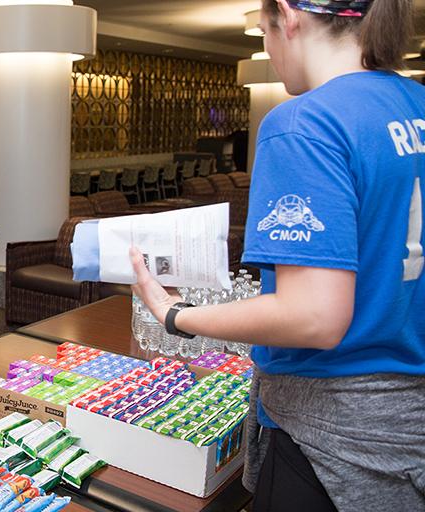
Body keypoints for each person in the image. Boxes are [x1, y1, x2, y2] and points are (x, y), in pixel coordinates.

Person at [129, 1, 424, 510]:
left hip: (336, 436)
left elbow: (313, 316)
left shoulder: (306, 123)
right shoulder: (414, 101)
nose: (266, 46)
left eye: (263, 30)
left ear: (288, 16)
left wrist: (175, 315)